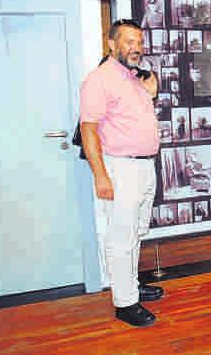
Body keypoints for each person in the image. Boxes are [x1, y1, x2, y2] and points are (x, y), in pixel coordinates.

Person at [80, 19, 163, 327]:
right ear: (111, 44)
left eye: (139, 42)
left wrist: (147, 79)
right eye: (129, 41)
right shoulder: (99, 79)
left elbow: (146, 102)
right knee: (120, 236)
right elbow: (88, 130)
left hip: (144, 165)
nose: (136, 47)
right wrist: (101, 175)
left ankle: (131, 284)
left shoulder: (133, 77)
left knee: (137, 231)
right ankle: (124, 303)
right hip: (120, 167)